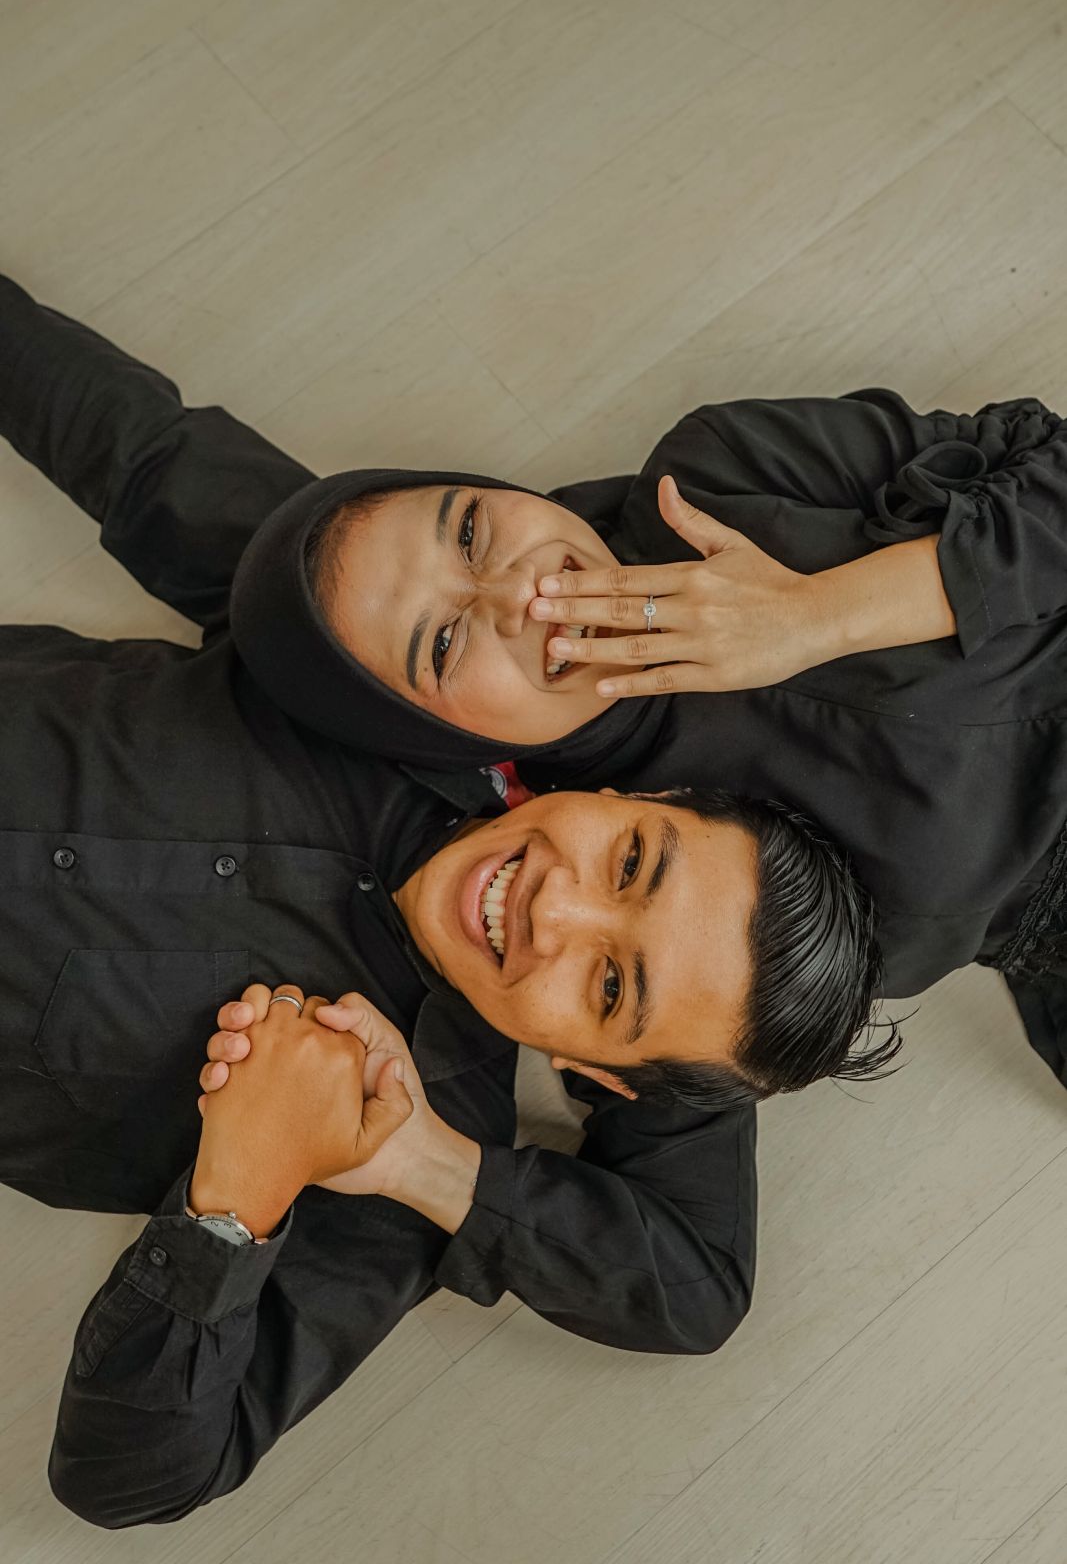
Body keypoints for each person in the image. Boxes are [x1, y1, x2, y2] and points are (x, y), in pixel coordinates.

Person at [0, 273, 884, 1527]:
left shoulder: (380, 1155)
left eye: (609, 984)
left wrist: (234, 1199)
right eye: (630, 862)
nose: (555, 910)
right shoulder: (393, 680)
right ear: (631, 796)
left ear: (603, 1075)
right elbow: (145, 454)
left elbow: (130, 1478)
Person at [226, 382, 1067, 1043]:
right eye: (443, 644)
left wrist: (819, 616)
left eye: (472, 531)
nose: (519, 594)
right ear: (430, 734)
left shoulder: (716, 475)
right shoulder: (568, 875)